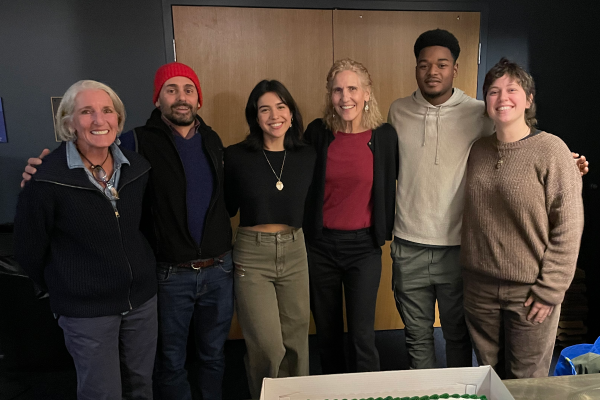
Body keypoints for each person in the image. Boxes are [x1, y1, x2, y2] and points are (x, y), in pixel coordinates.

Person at [21, 63, 233, 400]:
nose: (181, 97)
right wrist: (65, 285)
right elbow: (30, 249)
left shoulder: (202, 143)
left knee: (191, 365)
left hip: (200, 276)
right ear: (157, 99)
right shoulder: (133, 145)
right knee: (159, 366)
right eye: (171, 89)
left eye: (188, 89)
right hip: (157, 279)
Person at [387, 29, 589, 370]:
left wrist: (568, 165)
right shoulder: (401, 113)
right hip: (429, 254)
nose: (432, 71)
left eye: (442, 64)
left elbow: (524, 149)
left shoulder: (479, 113)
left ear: (455, 68)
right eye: (424, 64)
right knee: (433, 344)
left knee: (464, 342)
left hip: (466, 254)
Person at [14, 80, 157, 399]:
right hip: (85, 309)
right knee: (101, 392)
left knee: (141, 386)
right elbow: (28, 249)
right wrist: (67, 287)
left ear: (118, 120)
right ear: (68, 122)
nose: (98, 120)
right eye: (86, 112)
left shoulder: (139, 169)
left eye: (107, 111)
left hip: (141, 301)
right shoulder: (46, 179)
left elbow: (146, 228)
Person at [461, 58, 584, 378]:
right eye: (493, 91)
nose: (502, 98)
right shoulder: (478, 150)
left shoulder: (552, 150)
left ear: (528, 99)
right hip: (479, 290)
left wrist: (550, 289)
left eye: (512, 90)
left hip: (531, 292)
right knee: (490, 375)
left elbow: (569, 226)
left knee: (528, 382)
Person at [303, 58, 398, 374]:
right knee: (327, 335)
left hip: (363, 249)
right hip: (320, 248)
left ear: (367, 93)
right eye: (337, 90)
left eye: (353, 89)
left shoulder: (384, 136)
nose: (345, 97)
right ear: (329, 95)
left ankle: (367, 394)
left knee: (361, 337)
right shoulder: (317, 133)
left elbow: (395, 184)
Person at [224, 80, 315, 398]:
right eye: (265, 109)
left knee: (296, 342)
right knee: (267, 346)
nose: (274, 115)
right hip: (252, 254)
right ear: (255, 116)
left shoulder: (307, 155)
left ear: (291, 113)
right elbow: (227, 206)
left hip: (295, 249)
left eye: (281, 107)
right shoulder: (236, 156)